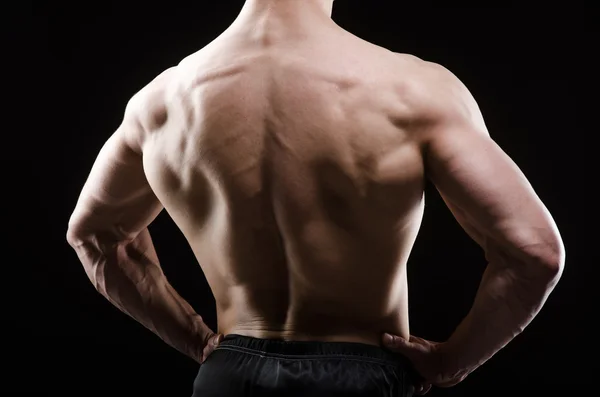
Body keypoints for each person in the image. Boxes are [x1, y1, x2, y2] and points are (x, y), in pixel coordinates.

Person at [66, 0, 565, 395]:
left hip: (229, 377)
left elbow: (94, 236)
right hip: (364, 378)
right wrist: (451, 363)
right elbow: (534, 253)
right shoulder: (414, 90)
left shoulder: (160, 103)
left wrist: (198, 340)